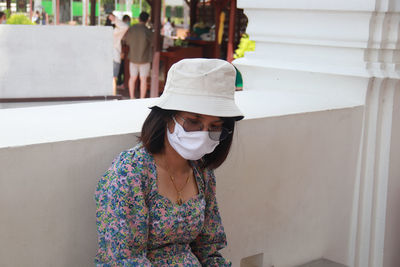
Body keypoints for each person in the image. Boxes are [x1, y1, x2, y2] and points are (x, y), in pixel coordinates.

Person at [95, 58, 244, 266]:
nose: (203, 134)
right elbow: (124, 259)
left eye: (215, 127)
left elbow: (208, 249)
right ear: (167, 117)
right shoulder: (130, 173)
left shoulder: (202, 173)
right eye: (193, 122)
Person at [122, 11, 153, 99]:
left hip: (133, 57)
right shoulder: (147, 30)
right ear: (147, 20)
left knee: (132, 78)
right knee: (143, 80)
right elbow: (153, 42)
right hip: (145, 58)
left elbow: (127, 41)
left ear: (139, 18)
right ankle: (142, 98)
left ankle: (132, 97)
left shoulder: (132, 28)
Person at [108, 12, 129, 95]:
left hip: (108, 57)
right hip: (114, 57)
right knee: (113, 78)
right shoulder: (115, 32)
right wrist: (115, 19)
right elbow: (125, 27)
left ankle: (110, 96)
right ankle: (112, 96)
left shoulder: (109, 31)